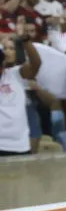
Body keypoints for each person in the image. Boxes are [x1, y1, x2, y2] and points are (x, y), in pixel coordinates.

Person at [0, 24, 42, 156]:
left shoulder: (14, 74)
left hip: (19, 144)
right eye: (5, 49)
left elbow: (36, 63)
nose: (7, 53)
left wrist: (25, 41)